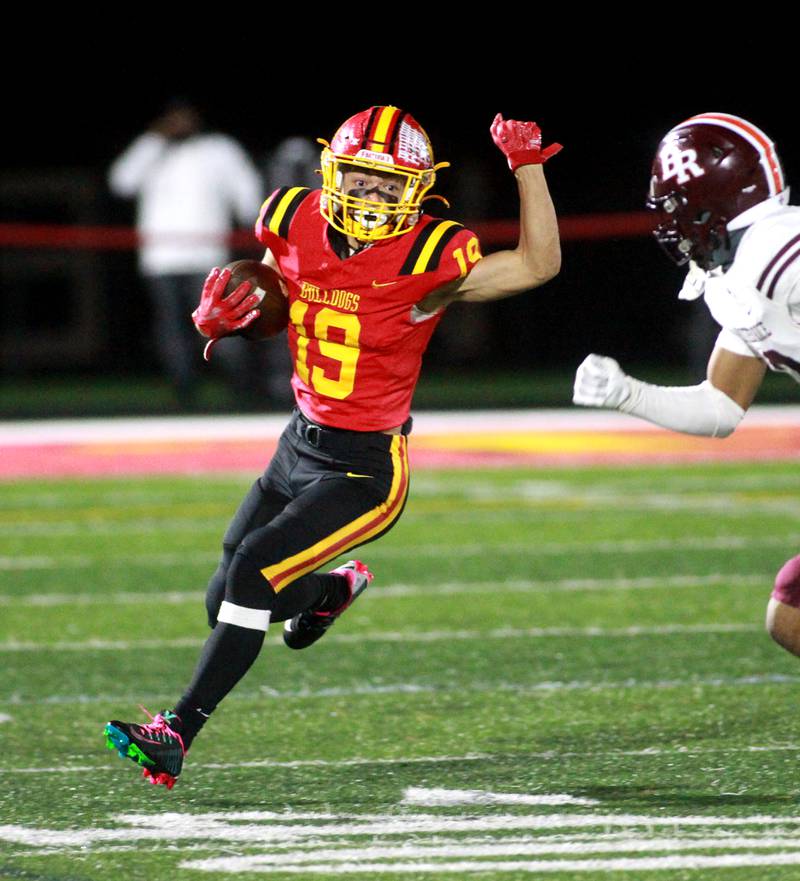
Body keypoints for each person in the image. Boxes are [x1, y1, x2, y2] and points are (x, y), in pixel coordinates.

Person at [103, 106, 562, 788]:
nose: (374, 197)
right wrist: (230, 311)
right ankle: (324, 595)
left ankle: (177, 731)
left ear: (415, 189)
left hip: (366, 464)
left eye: (389, 184)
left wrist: (526, 166)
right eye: (362, 179)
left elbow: (537, 263)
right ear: (332, 173)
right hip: (298, 441)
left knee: (254, 568)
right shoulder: (290, 217)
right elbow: (273, 292)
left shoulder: (431, 255)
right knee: (223, 597)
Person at [572, 111, 800, 663]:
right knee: (790, 616)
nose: (671, 223)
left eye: (678, 206)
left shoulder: (781, 253)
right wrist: (628, 394)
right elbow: (720, 406)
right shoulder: (740, 268)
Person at [108, 100, 263, 407]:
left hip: (207, 256)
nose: (180, 122)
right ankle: (184, 392)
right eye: (173, 118)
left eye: (185, 116)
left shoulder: (219, 149)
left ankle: (242, 389)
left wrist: (256, 228)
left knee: (223, 323)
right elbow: (121, 182)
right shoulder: (152, 149)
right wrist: (155, 138)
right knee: (171, 329)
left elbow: (247, 192)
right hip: (161, 258)